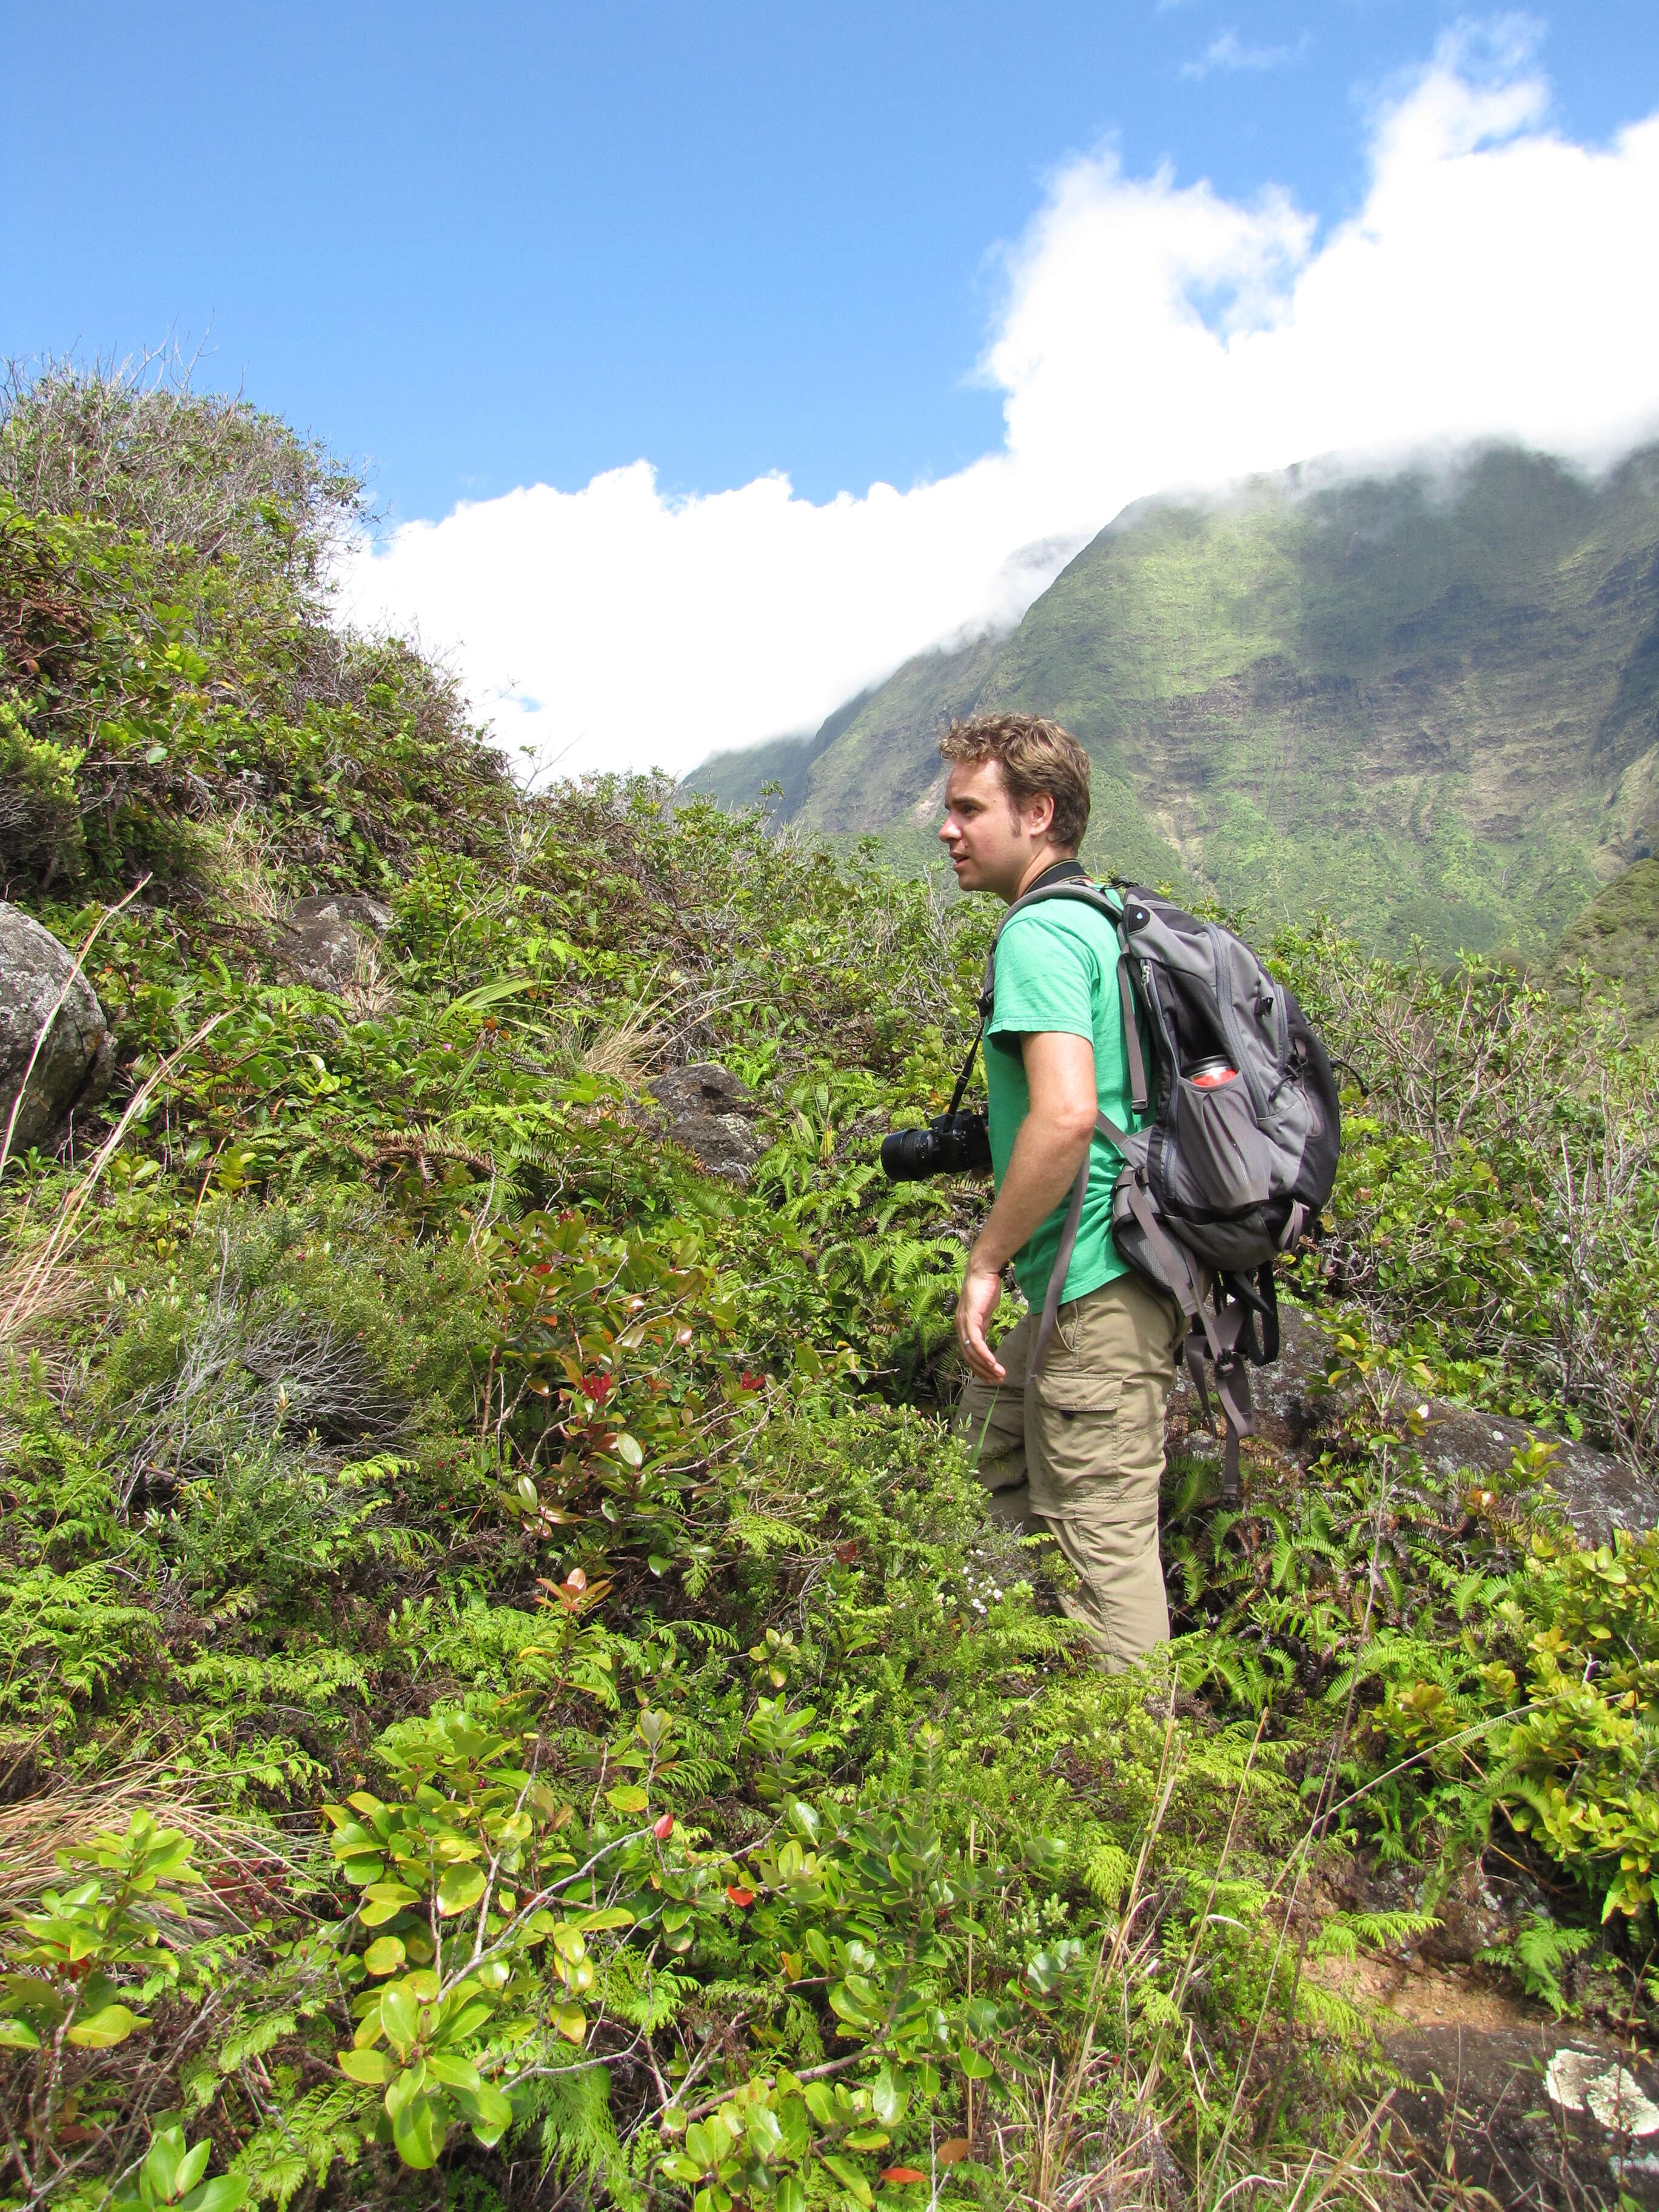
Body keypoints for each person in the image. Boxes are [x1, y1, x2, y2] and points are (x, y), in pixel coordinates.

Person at [941, 712, 1182, 1672]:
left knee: (1103, 1543)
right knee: (984, 1470)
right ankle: (998, 1691)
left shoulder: (1040, 935)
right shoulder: (1108, 916)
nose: (949, 830)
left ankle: (1134, 1789)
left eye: (969, 808)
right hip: (1104, 1274)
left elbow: (1068, 1115)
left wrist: (985, 1259)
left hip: (1094, 1286)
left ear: (1037, 813)